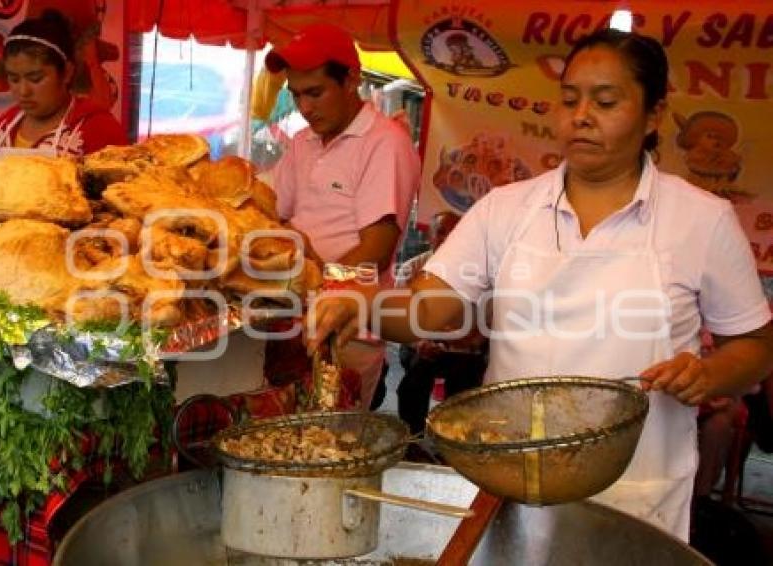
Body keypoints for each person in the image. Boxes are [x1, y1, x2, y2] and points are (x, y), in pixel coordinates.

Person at [307, 28, 773, 541]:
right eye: (570, 99)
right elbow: (432, 309)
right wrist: (363, 305)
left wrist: (707, 375)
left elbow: (753, 347)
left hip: (636, 493)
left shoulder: (702, 220)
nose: (581, 116)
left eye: (606, 101)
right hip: (512, 480)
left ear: (654, 114)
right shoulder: (505, 209)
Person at [266, 23, 421, 408]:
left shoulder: (385, 143)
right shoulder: (304, 142)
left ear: (351, 79)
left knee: (327, 450)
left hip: (349, 332)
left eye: (315, 93)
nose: (304, 109)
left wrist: (314, 285)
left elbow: (376, 251)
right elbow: (271, 211)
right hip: (293, 322)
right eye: (296, 95)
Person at [0, 9, 127, 163]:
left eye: (36, 79)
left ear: (66, 72)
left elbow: (122, 185)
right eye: (14, 79)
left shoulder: (100, 128)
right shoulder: (5, 126)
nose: (24, 91)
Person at [395, 211, 487, 435]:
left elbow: (486, 325)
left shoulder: (481, 273)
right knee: (412, 384)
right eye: (442, 232)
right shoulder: (411, 270)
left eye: (454, 233)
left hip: (462, 348)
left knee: (464, 383)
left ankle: (455, 441)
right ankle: (413, 439)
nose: (447, 238)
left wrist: (467, 343)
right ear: (430, 236)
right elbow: (400, 321)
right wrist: (420, 344)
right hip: (421, 344)